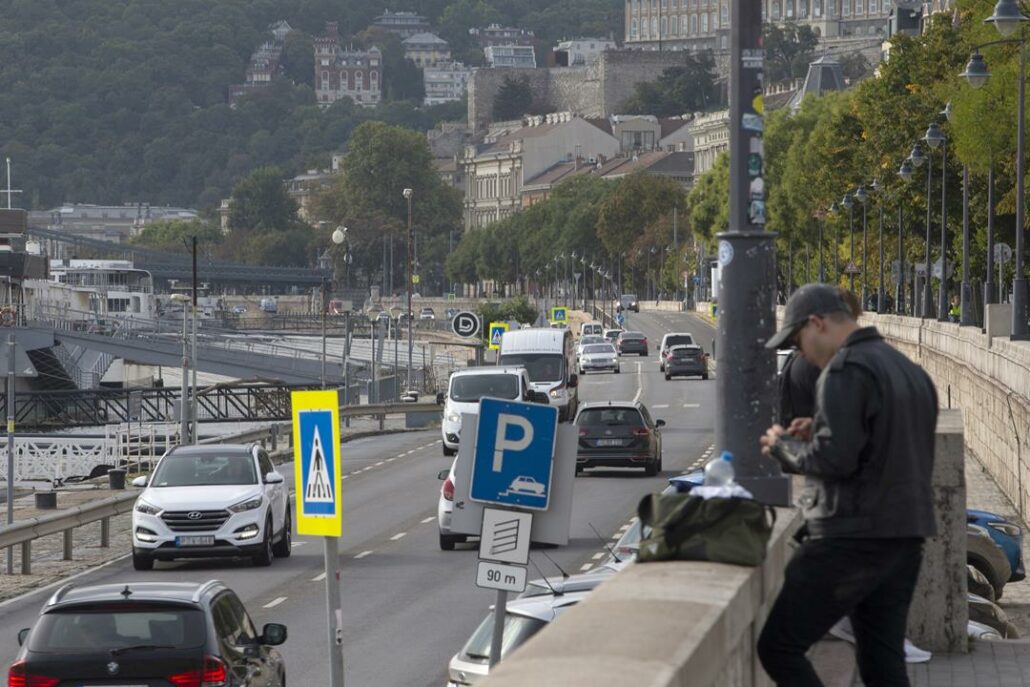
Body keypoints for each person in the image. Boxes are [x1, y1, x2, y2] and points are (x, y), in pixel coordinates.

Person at [757, 283, 938, 687]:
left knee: (778, 646)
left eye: (797, 340)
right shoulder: (907, 369)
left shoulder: (843, 370)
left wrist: (782, 446)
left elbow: (832, 461)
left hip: (851, 538)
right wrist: (821, 427)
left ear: (817, 324)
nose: (800, 353)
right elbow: (882, 445)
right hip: (904, 536)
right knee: (882, 663)